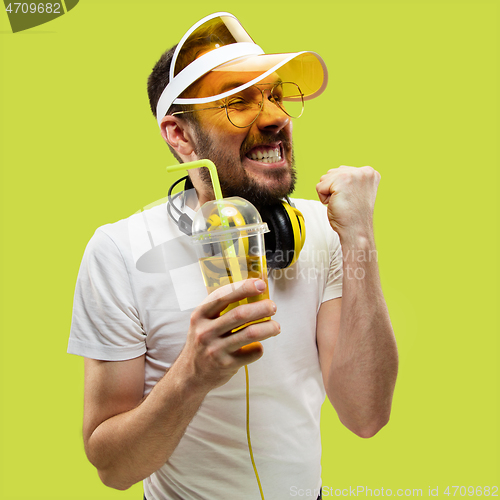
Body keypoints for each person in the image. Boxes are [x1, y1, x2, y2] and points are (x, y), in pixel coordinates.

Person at [68, 12, 398, 500]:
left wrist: (361, 241)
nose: (275, 119)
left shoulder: (327, 233)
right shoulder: (119, 252)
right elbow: (114, 469)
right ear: (179, 135)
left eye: (275, 96)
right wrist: (191, 375)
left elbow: (366, 415)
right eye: (239, 103)